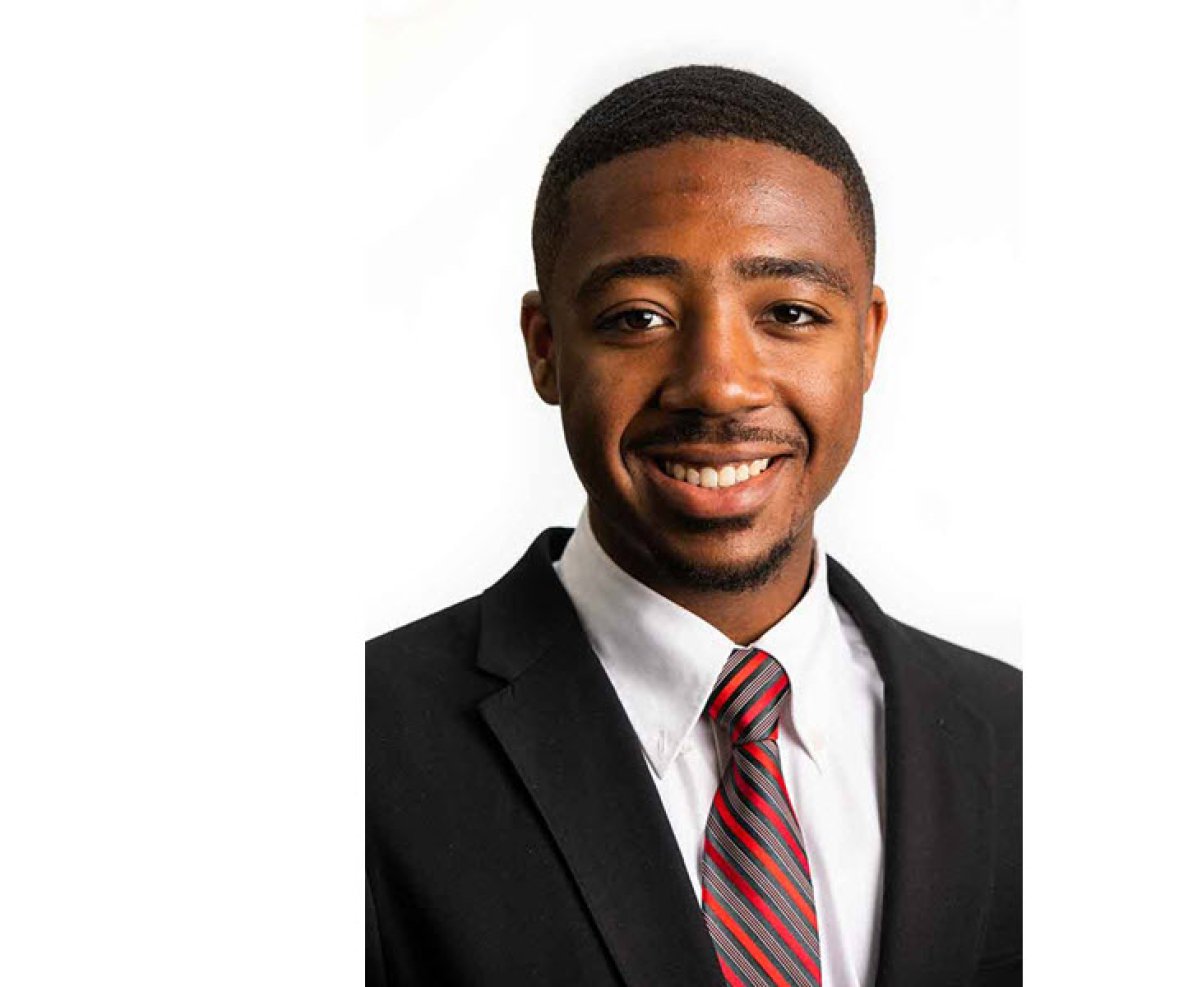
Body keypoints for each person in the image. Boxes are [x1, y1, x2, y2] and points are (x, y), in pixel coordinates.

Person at [367, 65, 1021, 987]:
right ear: (546, 347)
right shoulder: (364, 748)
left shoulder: (1021, 736)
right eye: (638, 317)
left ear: (867, 338)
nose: (719, 382)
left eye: (790, 313)